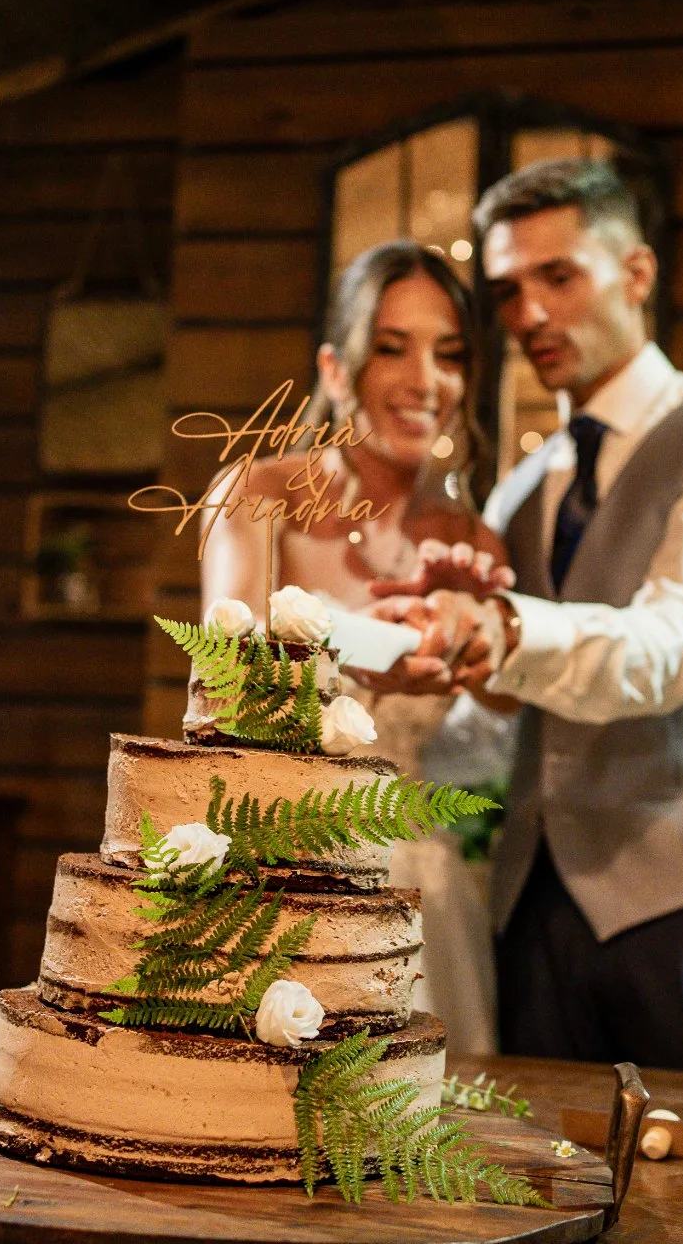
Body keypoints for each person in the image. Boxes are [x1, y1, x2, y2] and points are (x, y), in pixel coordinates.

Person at [372, 159, 683, 1071]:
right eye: (507, 291)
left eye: (559, 277)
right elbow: (494, 736)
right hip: (529, 919)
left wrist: (501, 627)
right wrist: (422, 667)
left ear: (638, 274)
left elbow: (669, 646)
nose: (529, 314)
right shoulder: (526, 492)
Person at [199, 240, 509, 1054]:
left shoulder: (473, 542)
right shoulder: (256, 494)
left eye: (449, 354)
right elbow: (229, 670)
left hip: (419, 892)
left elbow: (505, 718)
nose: (426, 380)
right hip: (274, 875)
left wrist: (478, 628)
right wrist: (379, 643)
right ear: (336, 368)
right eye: (392, 346)